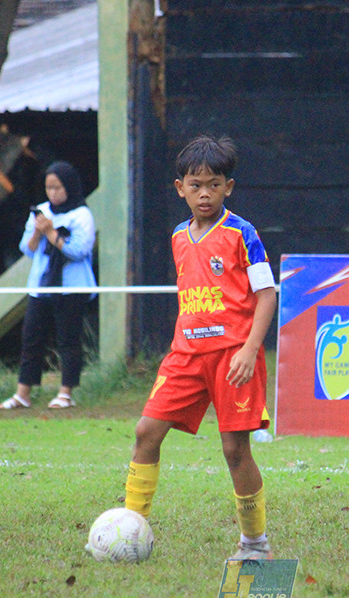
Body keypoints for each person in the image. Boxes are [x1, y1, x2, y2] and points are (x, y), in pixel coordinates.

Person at [122, 135, 277, 560]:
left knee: (234, 449)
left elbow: (267, 295)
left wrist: (249, 349)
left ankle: (254, 544)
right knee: (145, 432)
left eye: (213, 184)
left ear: (228, 187)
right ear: (180, 188)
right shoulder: (177, 236)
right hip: (185, 355)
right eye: (195, 185)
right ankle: (130, 527)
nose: (204, 193)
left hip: (233, 357)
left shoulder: (242, 233)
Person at [0, 161, 96, 410]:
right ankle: (23, 393)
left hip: (72, 288)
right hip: (41, 286)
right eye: (49, 188)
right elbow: (27, 250)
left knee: (68, 340)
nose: (53, 193)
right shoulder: (41, 211)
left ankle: (66, 392)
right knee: (31, 338)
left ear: (69, 187)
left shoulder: (82, 215)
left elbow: (79, 250)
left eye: (58, 187)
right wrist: (37, 233)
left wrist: (52, 234)